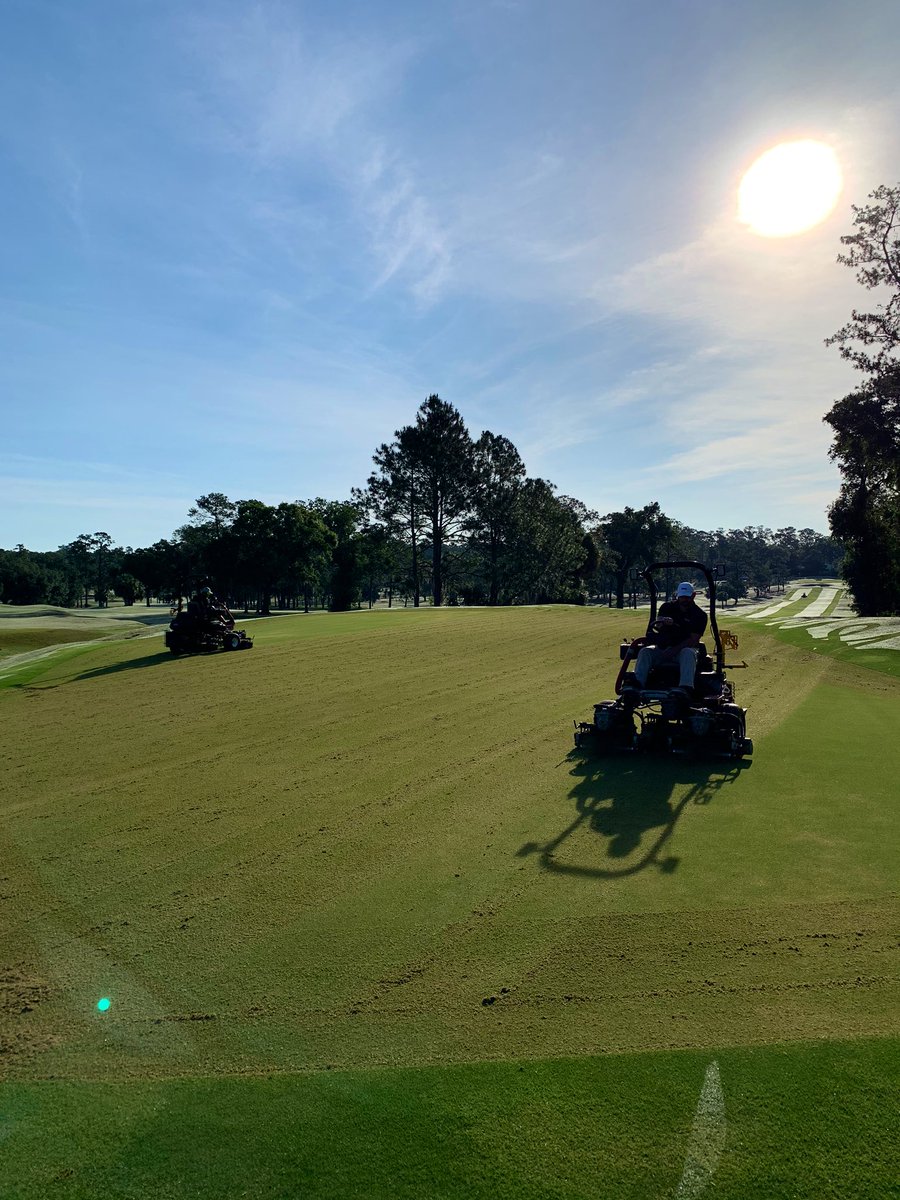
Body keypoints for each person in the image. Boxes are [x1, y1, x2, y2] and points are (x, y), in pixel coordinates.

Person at [627, 581, 708, 698]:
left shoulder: (699, 615)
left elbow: (693, 639)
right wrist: (662, 623)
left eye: (687, 597)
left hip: (682, 650)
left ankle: (685, 688)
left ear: (693, 596)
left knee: (688, 653)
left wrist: (673, 651)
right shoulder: (667, 607)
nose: (684, 600)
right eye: (682, 597)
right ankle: (637, 686)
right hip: (663, 648)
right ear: (678, 596)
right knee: (645, 652)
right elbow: (657, 625)